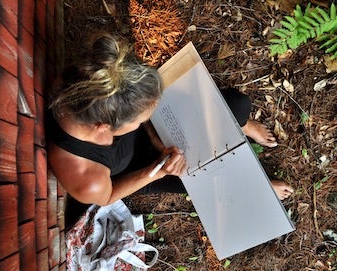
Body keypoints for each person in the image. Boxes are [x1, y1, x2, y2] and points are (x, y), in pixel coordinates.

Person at [47, 34, 293, 229]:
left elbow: (135, 110)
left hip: (148, 132)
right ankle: (258, 185)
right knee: (203, 175)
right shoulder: (87, 179)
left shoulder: (83, 80)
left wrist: (152, 130)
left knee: (237, 106)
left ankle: (242, 125)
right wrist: (157, 170)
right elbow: (109, 195)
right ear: (104, 127)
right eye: (137, 119)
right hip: (142, 166)